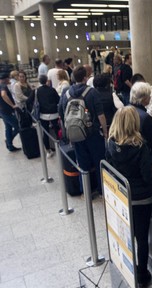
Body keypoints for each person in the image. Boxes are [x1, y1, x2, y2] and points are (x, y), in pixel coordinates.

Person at [105, 106, 152, 288]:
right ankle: (142, 275)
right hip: (141, 198)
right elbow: (147, 175)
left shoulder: (110, 143)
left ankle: (126, 265)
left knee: (126, 233)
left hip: (121, 196)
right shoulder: (140, 146)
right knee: (142, 237)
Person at [58, 66, 108, 195]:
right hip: (93, 134)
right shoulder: (92, 92)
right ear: (85, 77)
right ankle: (101, 189)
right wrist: (106, 132)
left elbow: (62, 113)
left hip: (75, 134)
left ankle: (85, 190)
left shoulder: (66, 93)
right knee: (99, 162)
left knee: (82, 163)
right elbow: (100, 115)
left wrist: (67, 132)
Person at [27, 74, 60, 157]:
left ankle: (48, 151)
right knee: (57, 130)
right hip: (54, 113)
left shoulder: (36, 91)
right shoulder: (52, 90)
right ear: (47, 80)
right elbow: (58, 100)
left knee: (45, 133)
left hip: (43, 115)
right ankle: (60, 146)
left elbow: (28, 101)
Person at [0, 72, 21, 152]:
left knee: (8, 128)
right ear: (5, 79)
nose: (9, 79)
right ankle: (9, 142)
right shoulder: (3, 86)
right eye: (8, 78)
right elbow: (3, 95)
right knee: (18, 127)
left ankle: (10, 146)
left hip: (2, 111)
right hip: (7, 111)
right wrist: (12, 105)